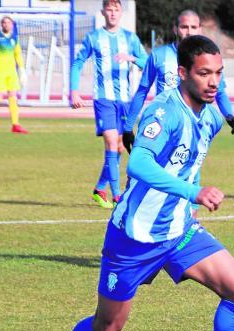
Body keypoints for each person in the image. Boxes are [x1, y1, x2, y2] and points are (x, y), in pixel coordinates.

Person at [33, 35, 234, 331]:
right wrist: (193, 191)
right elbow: (138, 164)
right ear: (183, 73)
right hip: (133, 240)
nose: (213, 81)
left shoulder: (210, 116)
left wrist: (188, 199)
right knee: (107, 328)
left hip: (179, 231)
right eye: (204, 73)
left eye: (219, 73)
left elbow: (189, 158)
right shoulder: (163, 112)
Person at [122, 9, 234, 153]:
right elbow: (142, 91)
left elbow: (219, 92)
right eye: (184, 27)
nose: (189, 32)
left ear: (200, 29)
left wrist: (229, 114)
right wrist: (128, 127)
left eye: (193, 27)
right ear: (175, 29)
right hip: (163, 123)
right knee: (149, 169)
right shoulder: (159, 55)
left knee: (186, 172)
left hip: (192, 126)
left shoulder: (208, 59)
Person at [70, 0, 148, 209]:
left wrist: (131, 58)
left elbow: (147, 63)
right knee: (112, 144)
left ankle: (99, 189)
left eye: (116, 9)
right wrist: (74, 92)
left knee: (120, 148)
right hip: (103, 99)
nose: (112, 13)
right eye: (109, 9)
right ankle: (117, 196)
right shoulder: (93, 37)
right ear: (103, 11)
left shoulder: (130, 38)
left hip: (125, 100)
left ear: (121, 12)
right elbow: (77, 63)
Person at [0, 16, 28, 134]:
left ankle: (15, 125)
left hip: (11, 73)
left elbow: (18, 55)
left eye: (9, 22)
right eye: (4, 22)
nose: (7, 24)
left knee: (13, 97)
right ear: (1, 25)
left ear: (12, 25)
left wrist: (22, 70)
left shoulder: (14, 39)